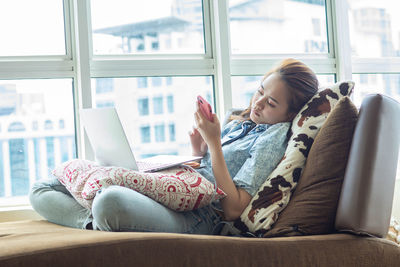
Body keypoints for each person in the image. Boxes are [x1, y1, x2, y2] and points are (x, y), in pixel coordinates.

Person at [29, 58, 319, 235]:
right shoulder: (244, 123)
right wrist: (199, 151)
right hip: (179, 190)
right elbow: (209, 169)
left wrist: (214, 144)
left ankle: (100, 219)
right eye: (260, 91)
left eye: (271, 103)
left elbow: (232, 208)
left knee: (109, 201)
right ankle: (94, 223)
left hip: (200, 217)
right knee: (44, 186)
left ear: (290, 114)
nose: (258, 103)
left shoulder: (273, 138)